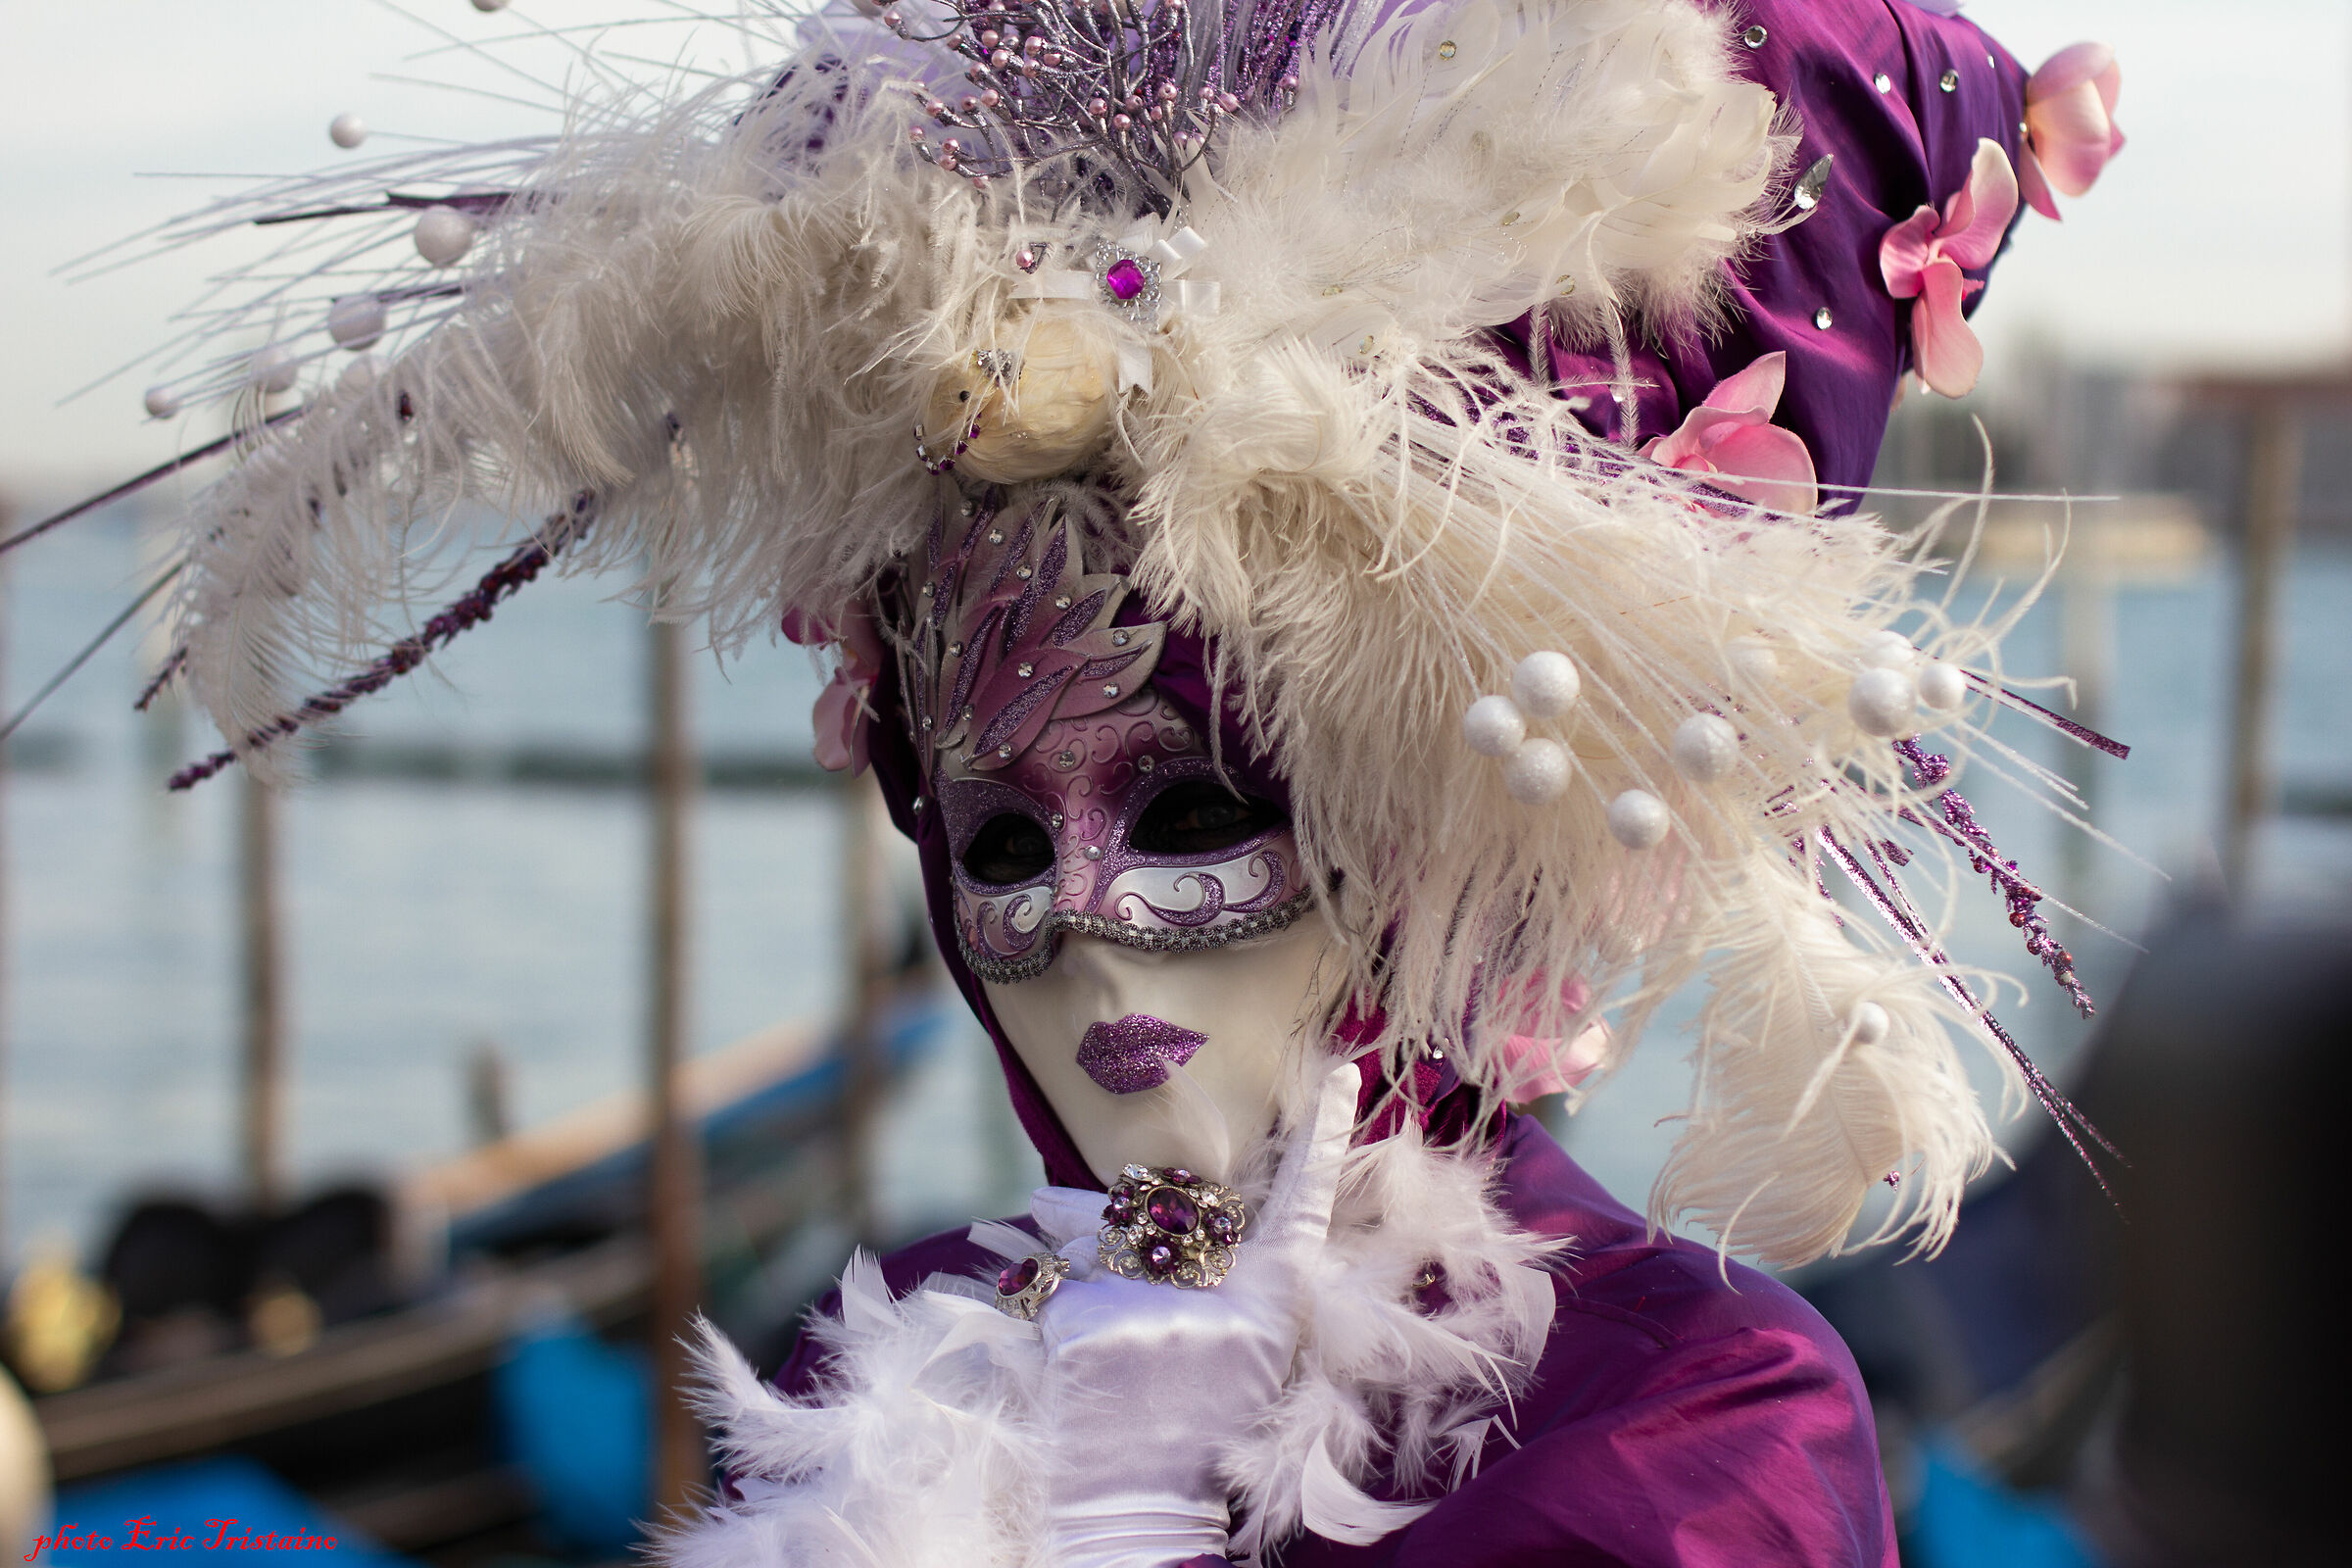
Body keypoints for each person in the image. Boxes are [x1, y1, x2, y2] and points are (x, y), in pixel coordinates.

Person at [80, 0, 2128, 1561]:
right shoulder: (873, 1351)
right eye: (986, 829)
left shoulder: (1690, 1410)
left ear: (1426, 818)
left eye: (1192, 807)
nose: (1074, 908)